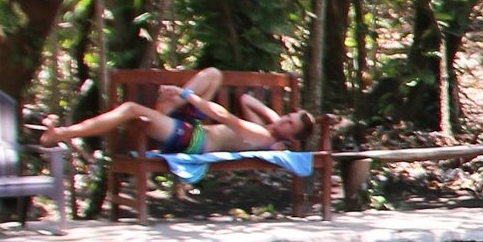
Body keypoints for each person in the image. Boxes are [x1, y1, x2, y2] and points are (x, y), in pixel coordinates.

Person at [44, 69, 311, 158]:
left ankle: (62, 133)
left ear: (292, 136)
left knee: (131, 109)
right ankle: (168, 108)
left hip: (192, 140)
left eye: (290, 123)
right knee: (214, 75)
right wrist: (277, 119)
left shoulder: (262, 135)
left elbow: (222, 115)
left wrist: (186, 95)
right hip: (190, 127)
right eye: (288, 115)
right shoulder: (267, 128)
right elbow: (244, 99)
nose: (285, 118)